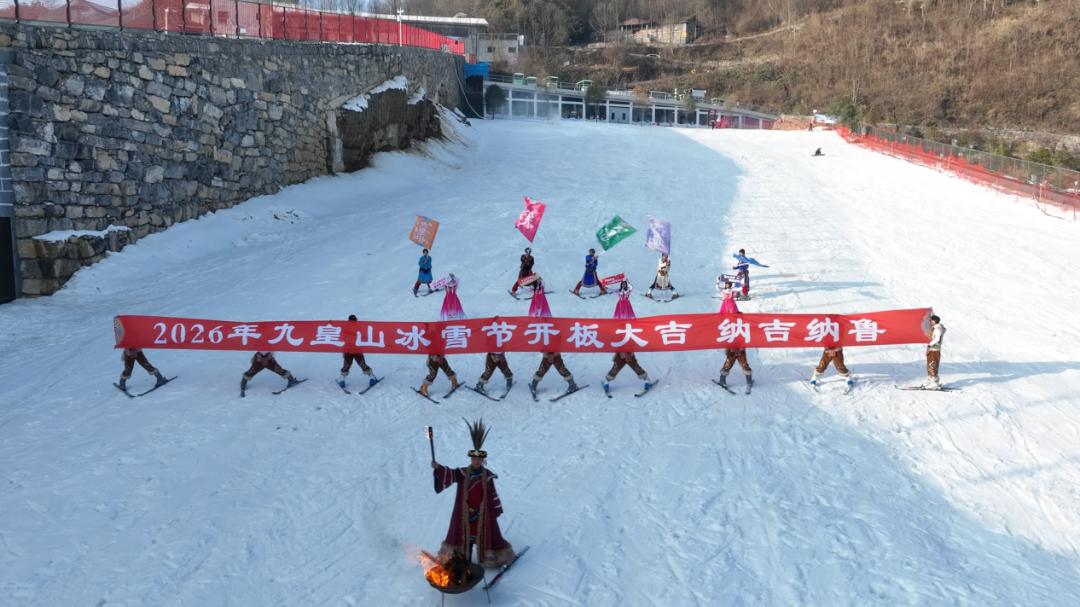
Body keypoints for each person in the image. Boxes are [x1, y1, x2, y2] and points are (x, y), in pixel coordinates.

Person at [431, 419, 515, 569]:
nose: (476, 461)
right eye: (474, 459)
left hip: (482, 515)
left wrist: (494, 509)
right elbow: (450, 474)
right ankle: (464, 562)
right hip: (464, 514)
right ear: (471, 459)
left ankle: (494, 558)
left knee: (485, 535)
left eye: (479, 459)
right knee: (464, 538)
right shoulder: (462, 473)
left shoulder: (487, 476)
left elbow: (492, 494)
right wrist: (439, 468)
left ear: (483, 460)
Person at [339, 314, 377, 390]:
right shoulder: (346, 327)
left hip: (357, 350)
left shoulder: (358, 326)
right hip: (349, 350)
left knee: (361, 364)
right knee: (347, 365)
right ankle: (342, 378)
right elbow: (343, 337)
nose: (353, 322)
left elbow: (363, 336)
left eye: (354, 320)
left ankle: (372, 376)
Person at [925, 314, 946, 389]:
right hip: (934, 349)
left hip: (934, 349)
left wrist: (929, 345)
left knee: (932, 364)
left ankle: (934, 383)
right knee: (931, 364)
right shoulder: (937, 328)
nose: (930, 322)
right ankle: (931, 380)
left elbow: (937, 339)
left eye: (931, 321)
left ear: (934, 321)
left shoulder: (937, 329)